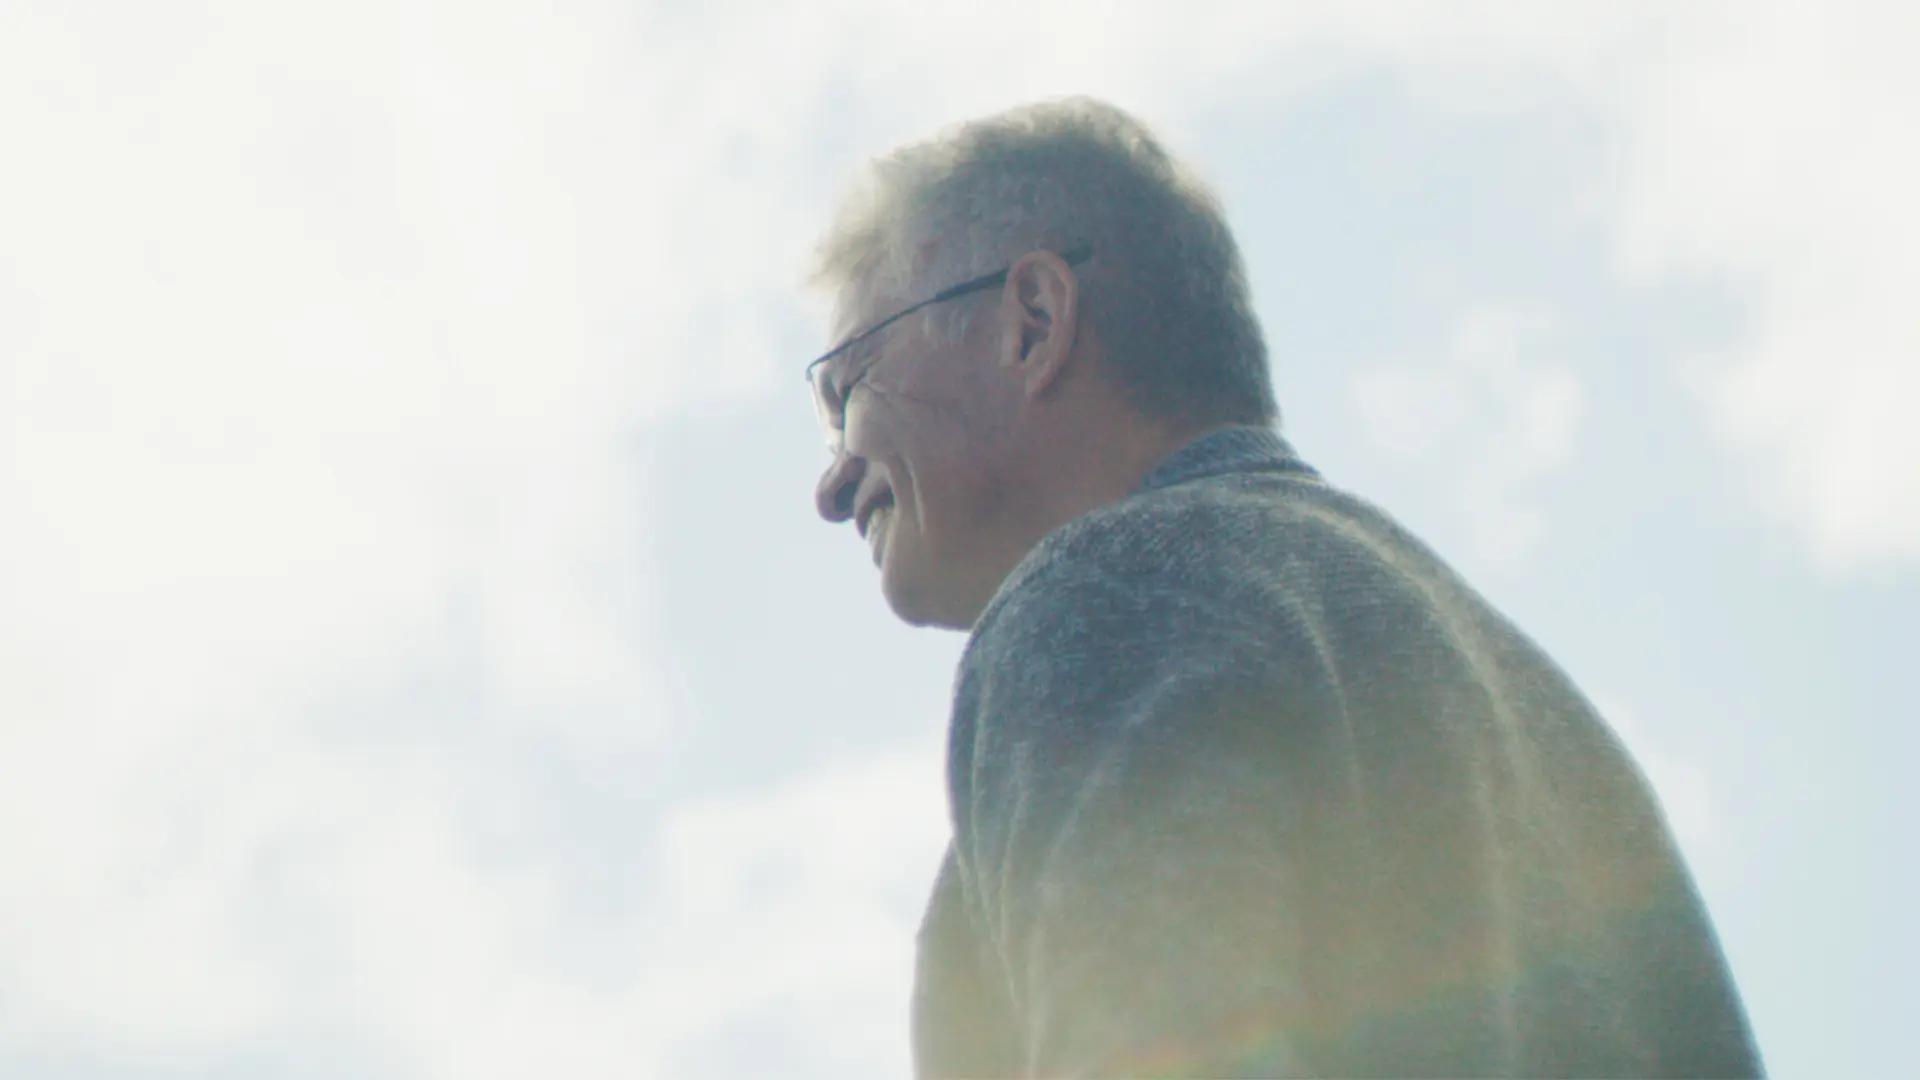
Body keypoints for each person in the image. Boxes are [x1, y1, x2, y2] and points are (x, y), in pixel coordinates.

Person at [805, 98, 1762, 1078]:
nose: (831, 484)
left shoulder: (1108, 599)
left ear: (1033, 324)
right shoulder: (1536, 719)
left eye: (847, 390)